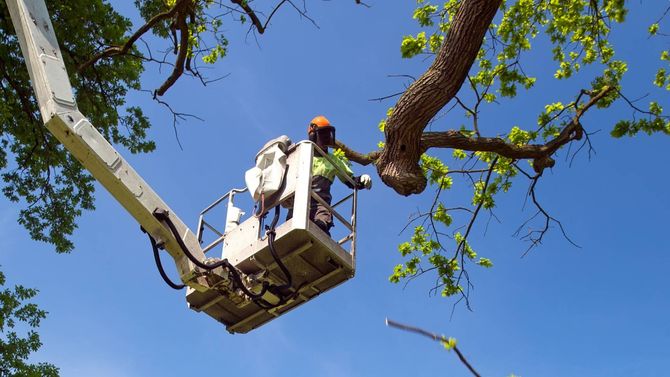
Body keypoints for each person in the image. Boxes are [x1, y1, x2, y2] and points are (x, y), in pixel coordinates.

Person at [307, 115, 372, 236]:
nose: (326, 139)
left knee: (321, 225)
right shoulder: (303, 154)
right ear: (313, 135)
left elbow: (351, 181)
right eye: (323, 135)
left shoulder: (333, 160)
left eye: (327, 136)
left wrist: (361, 180)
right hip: (300, 201)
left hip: (321, 203)